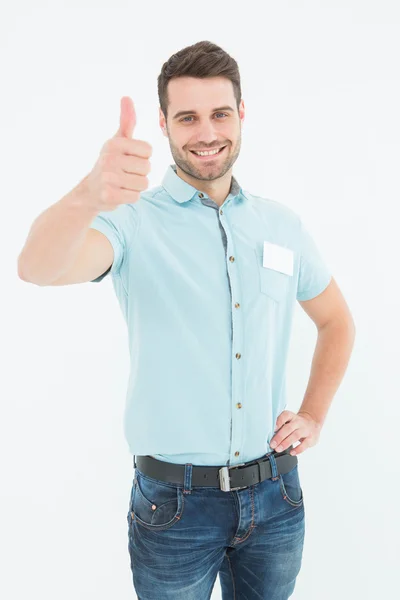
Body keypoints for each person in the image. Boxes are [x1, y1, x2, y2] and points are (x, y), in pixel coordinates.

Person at [18, 40, 356, 600]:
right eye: (188, 117)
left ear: (241, 114)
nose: (206, 132)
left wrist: (315, 414)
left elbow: (337, 321)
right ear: (164, 123)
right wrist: (87, 194)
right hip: (175, 508)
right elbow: (36, 268)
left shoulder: (282, 225)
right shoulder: (129, 221)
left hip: (276, 498)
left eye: (220, 113)